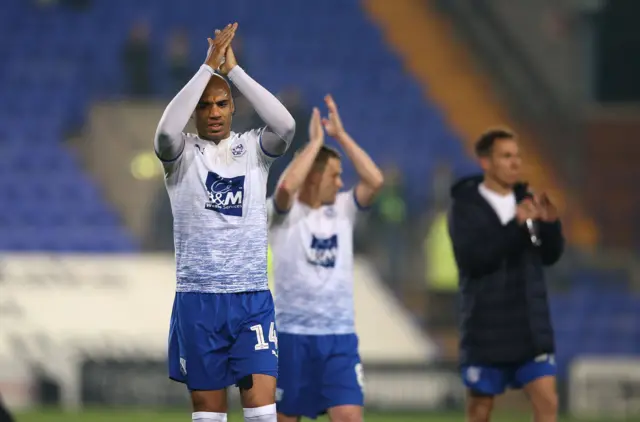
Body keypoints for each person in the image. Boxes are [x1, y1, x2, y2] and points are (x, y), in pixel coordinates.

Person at [155, 23, 296, 422]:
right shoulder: (181, 156)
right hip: (198, 299)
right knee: (209, 415)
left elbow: (285, 126)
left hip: (251, 298)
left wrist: (233, 72)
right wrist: (206, 68)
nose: (213, 112)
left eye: (221, 104)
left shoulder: (253, 149)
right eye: (204, 106)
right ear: (194, 111)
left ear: (233, 107)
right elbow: (166, 130)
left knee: (264, 412)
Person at [268, 95, 384, 422]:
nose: (341, 182)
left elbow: (375, 181)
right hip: (292, 336)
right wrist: (315, 144)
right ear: (315, 177)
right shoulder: (282, 215)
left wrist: (340, 137)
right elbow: (288, 186)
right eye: (334, 175)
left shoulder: (343, 210)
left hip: (339, 336)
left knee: (349, 416)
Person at [447, 129, 564, 422]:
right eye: (506, 156)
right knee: (480, 410)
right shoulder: (465, 207)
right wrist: (515, 226)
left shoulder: (527, 200)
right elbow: (474, 259)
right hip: (487, 326)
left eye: (518, 156)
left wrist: (550, 225)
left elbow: (548, 256)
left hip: (528, 325)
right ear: (485, 162)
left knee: (547, 401)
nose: (515, 163)